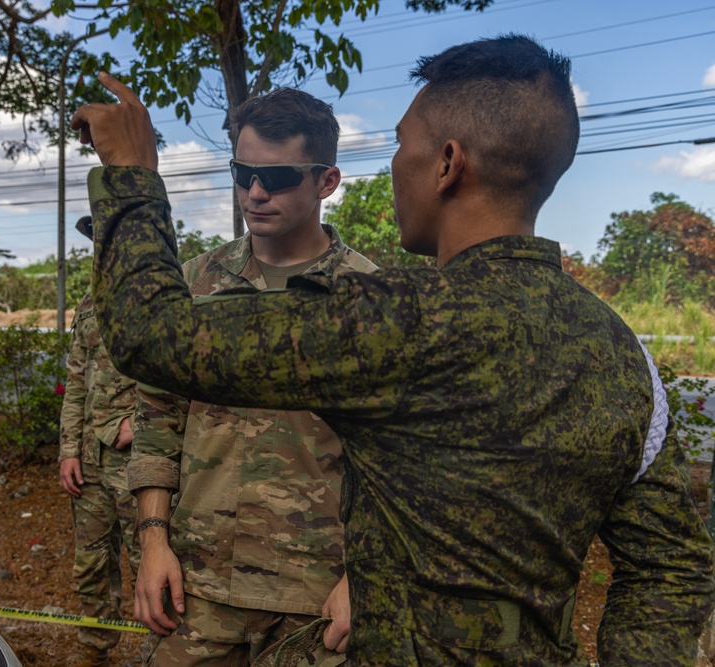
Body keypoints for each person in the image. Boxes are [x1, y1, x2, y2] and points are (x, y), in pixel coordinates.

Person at [71, 35, 715, 666]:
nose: (395, 163)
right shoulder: (620, 351)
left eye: (404, 143)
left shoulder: (396, 319)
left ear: (446, 163)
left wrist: (131, 175)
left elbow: (148, 334)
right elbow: (673, 565)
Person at [129, 88, 376, 665]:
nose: (255, 193)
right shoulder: (193, 286)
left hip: (313, 601)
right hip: (198, 586)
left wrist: (362, 576)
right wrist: (153, 541)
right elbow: (157, 422)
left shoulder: (369, 296)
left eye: (279, 176)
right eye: (243, 174)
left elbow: (396, 461)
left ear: (327, 180)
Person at [58, 216, 141, 667]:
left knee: (150, 562)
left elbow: (181, 385)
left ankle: (160, 652)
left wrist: (140, 426)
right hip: (90, 461)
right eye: (97, 242)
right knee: (90, 564)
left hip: (140, 462)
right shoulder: (90, 304)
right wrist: (69, 450)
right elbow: (75, 383)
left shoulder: (163, 302)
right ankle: (95, 649)